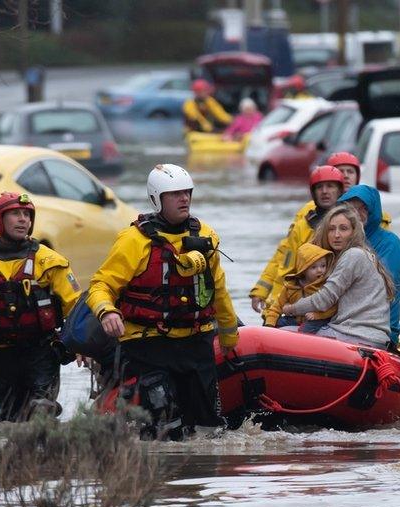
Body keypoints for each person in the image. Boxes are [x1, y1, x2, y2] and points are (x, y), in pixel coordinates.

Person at [87, 164, 239, 440]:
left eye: (187, 193)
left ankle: (203, 477)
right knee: (164, 424)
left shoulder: (205, 235)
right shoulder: (134, 241)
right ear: (157, 199)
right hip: (148, 344)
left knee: (208, 428)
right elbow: (101, 285)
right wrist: (107, 311)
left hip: (196, 341)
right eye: (175, 194)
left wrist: (229, 337)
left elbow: (217, 289)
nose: (184, 199)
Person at [0, 192, 80, 422]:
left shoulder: (50, 261)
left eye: (27, 214)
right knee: (4, 420)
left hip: (42, 352)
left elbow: (76, 306)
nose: (23, 219)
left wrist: (82, 343)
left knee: (40, 412)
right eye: (16, 214)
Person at [283, 204, 395, 348]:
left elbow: (324, 300)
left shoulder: (353, 255)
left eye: (343, 228)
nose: (336, 235)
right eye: (331, 229)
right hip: (369, 336)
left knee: (283, 332)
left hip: (355, 336)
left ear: (354, 232)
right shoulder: (364, 255)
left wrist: (291, 308)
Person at [249, 165, 345, 314]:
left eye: (330, 186)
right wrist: (269, 305)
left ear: (340, 190)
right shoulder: (303, 226)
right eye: (320, 187)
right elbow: (285, 267)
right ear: (313, 192)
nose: (325, 191)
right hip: (304, 301)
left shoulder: (351, 223)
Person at [338, 184, 400, 344]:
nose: (357, 214)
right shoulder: (338, 238)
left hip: (379, 328)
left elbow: (385, 291)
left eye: (363, 208)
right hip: (343, 323)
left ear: (373, 211)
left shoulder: (389, 243)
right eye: (351, 208)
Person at [263, 242, 336, 333]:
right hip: (295, 319)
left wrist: (318, 315)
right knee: (275, 322)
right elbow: (276, 307)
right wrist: (269, 324)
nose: (320, 270)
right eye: (313, 267)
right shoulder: (291, 286)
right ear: (303, 270)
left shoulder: (325, 286)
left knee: (307, 328)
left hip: (318, 319)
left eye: (323, 266)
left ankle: (302, 343)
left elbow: (333, 308)